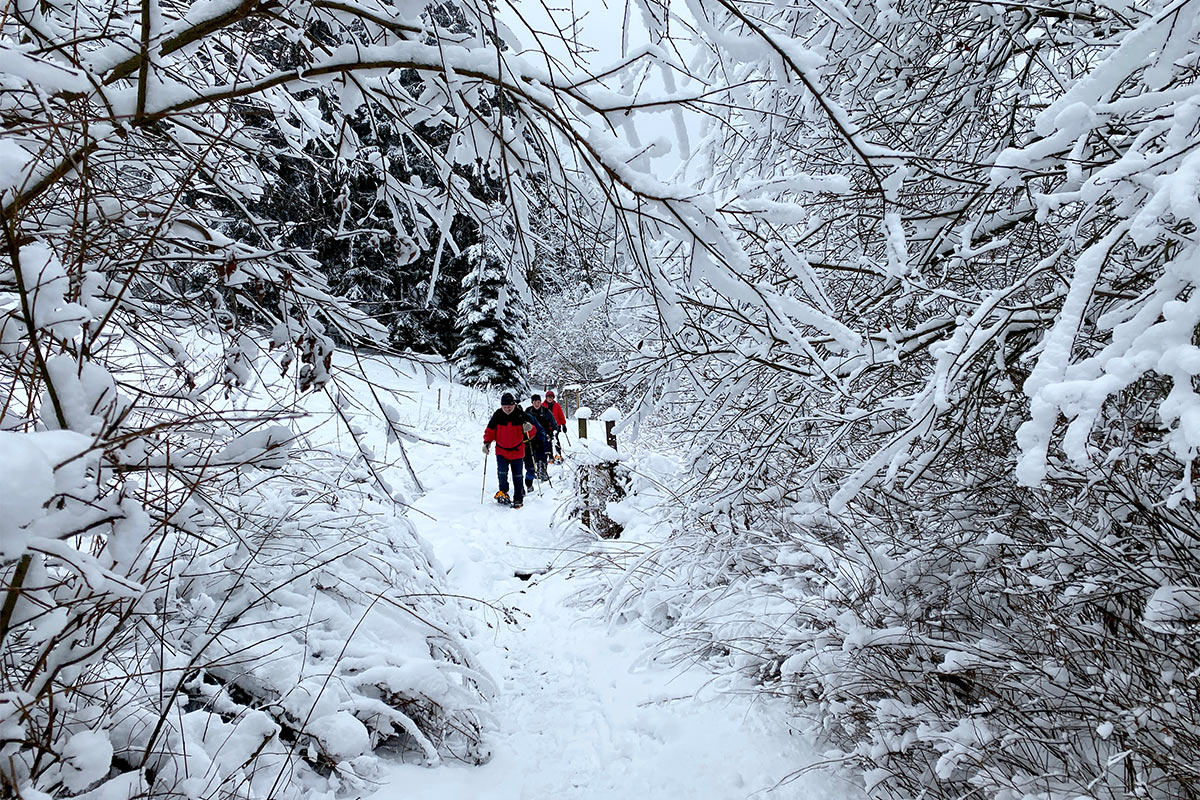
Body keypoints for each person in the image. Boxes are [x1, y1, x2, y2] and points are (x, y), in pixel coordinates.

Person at [483, 392, 535, 509]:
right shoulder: (498, 415)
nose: (507, 409)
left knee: (517, 476)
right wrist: (487, 442)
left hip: (517, 451)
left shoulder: (521, 415)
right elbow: (490, 430)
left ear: (514, 405)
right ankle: (503, 492)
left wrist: (529, 429)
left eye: (509, 407)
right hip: (501, 451)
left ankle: (518, 497)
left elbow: (532, 432)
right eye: (505, 407)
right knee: (502, 474)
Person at [526, 393, 558, 482]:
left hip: (545, 435)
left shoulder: (546, 411)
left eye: (538, 402)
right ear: (532, 403)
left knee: (544, 454)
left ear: (540, 402)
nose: (537, 404)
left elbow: (553, 422)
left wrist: (555, 431)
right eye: (535, 402)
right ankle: (536, 470)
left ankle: (543, 471)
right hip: (532, 436)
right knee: (534, 454)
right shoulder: (528, 411)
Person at [544, 390, 568, 463]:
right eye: (548, 397)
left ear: (553, 398)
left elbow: (561, 415)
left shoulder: (556, 405)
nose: (550, 399)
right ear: (546, 398)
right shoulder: (543, 406)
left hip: (556, 426)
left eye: (551, 397)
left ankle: (558, 455)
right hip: (546, 427)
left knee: (556, 440)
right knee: (548, 442)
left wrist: (563, 424)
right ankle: (550, 456)